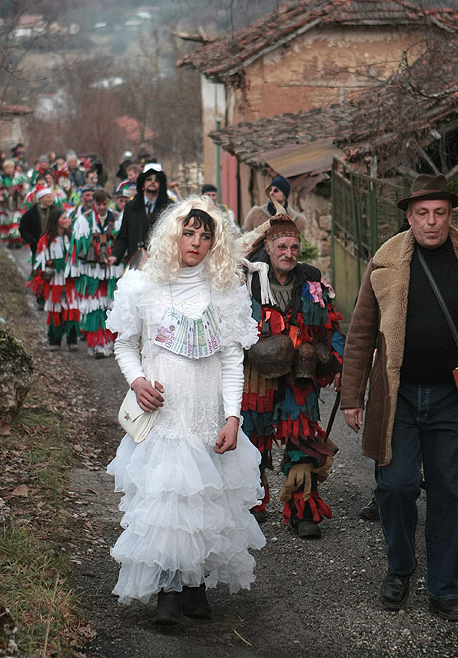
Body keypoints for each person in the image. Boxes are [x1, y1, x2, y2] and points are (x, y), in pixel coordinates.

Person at [340, 173, 458, 621]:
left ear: (451, 214)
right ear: (409, 216)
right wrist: (353, 395)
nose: (431, 223)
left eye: (439, 213)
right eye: (422, 214)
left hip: (456, 397)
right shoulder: (386, 261)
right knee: (395, 485)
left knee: (451, 493)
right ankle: (400, 566)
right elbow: (362, 331)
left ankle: (444, 587)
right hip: (399, 396)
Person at [105, 196, 266, 624]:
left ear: (215, 242)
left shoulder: (226, 290)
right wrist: (138, 382)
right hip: (164, 417)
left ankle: (195, 587)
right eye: (189, 232)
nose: (195, 242)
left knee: (204, 504)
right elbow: (123, 344)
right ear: (173, 233)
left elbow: (233, 361)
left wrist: (233, 417)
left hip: (207, 416)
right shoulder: (143, 285)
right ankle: (167, 594)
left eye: (205, 234)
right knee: (169, 502)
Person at [241, 214, 344, 538]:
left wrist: (338, 363)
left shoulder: (313, 281)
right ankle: (249, 505)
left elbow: (332, 328)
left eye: (294, 246)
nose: (288, 252)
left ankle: (303, 511)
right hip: (257, 374)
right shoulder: (246, 279)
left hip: (301, 375)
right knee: (252, 439)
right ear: (269, 248)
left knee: (303, 438)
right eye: (282, 246)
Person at [70, 189, 124, 358]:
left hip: (112, 269)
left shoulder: (117, 218)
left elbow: (122, 240)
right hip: (92, 270)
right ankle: (98, 345)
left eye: (104, 204)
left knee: (112, 305)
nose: (101, 207)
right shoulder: (84, 219)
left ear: (109, 204)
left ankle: (114, 344)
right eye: (98, 204)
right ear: (94, 203)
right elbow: (78, 245)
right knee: (95, 308)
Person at [28, 207, 80, 352]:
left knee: (72, 308)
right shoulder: (47, 240)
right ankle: (54, 339)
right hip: (54, 280)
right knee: (55, 309)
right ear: (55, 221)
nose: (67, 221)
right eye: (63, 218)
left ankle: (72, 338)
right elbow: (40, 261)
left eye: (67, 218)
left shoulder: (72, 237)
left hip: (70, 280)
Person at [109, 163, 172, 266]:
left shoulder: (169, 208)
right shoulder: (131, 207)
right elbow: (123, 236)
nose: (152, 182)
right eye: (149, 178)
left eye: (156, 179)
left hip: (159, 266)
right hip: (135, 265)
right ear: (142, 182)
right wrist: (115, 256)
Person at [19, 187, 56, 310]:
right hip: (38, 248)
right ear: (41, 199)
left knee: (53, 272)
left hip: (54, 247)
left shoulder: (56, 211)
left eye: (51, 196)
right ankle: (40, 298)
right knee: (39, 273)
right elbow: (23, 228)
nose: (51, 199)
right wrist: (33, 241)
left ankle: (52, 298)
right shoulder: (31, 213)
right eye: (48, 197)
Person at [242, 176, 307, 234]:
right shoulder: (256, 213)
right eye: (270, 190)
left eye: (276, 190)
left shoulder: (297, 220)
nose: (271, 193)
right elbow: (243, 236)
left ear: (285, 196)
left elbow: (300, 244)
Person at [0, 159, 28, 248]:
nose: (9, 169)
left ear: (14, 168)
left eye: (11, 167)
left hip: (17, 203)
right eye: (7, 168)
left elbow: (26, 187)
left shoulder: (19, 177)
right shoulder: (0, 178)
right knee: (6, 222)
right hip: (4, 205)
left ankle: (16, 240)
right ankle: (10, 241)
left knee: (15, 221)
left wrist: (21, 192)